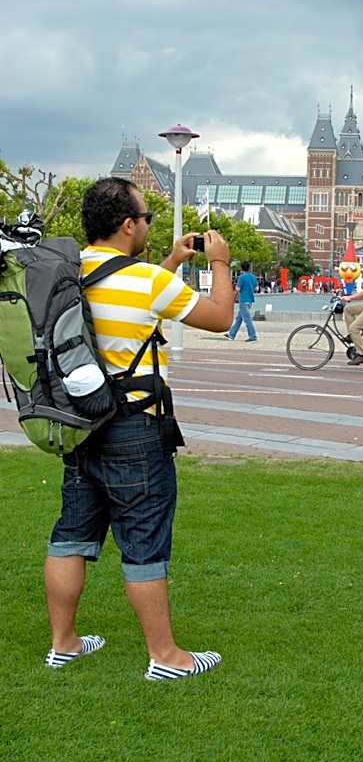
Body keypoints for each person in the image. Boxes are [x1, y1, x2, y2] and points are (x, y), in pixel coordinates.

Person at [44, 177, 233, 679]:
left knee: (71, 534)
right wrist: (219, 262)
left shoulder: (66, 273)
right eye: (146, 216)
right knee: (144, 539)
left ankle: (64, 644)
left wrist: (170, 262)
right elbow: (219, 317)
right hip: (134, 427)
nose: (148, 223)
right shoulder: (148, 283)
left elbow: (126, 306)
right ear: (129, 224)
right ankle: (166, 657)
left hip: (81, 422)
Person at [224, 260, 258, 342]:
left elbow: (237, 289)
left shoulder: (241, 277)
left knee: (247, 320)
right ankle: (231, 334)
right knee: (239, 318)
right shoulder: (253, 277)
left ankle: (252, 336)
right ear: (249, 268)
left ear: (241, 268)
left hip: (243, 300)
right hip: (250, 300)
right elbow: (256, 288)